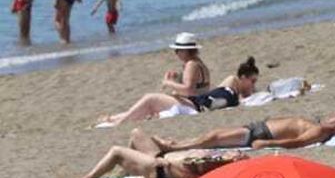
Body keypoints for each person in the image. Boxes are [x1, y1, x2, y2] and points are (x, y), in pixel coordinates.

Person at [96, 56, 259, 127]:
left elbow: (211, 104)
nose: (253, 86)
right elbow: (232, 80)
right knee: (149, 104)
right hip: (192, 103)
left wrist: (173, 87)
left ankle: (118, 122)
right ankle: (113, 118)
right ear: (242, 78)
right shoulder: (230, 89)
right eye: (252, 81)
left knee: (150, 99)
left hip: (191, 107)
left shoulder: (230, 95)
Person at [134, 114, 335, 153]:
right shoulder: (320, 126)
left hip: (260, 134)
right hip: (260, 128)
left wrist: (267, 145)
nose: (334, 115)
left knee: (213, 138)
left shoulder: (321, 130)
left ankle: (174, 147)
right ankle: (179, 143)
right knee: (214, 136)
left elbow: (297, 142)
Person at [70, 145, 247, 178]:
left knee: (116, 151)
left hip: (159, 168)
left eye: (238, 155)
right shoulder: (219, 159)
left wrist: (168, 161)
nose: (236, 153)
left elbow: (192, 168)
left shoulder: (217, 163)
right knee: (136, 134)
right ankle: (122, 174)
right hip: (162, 160)